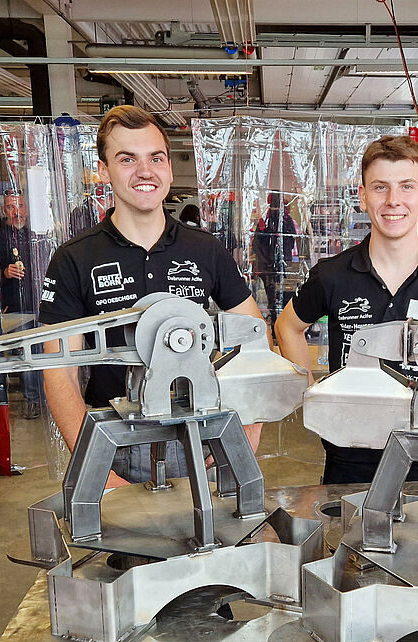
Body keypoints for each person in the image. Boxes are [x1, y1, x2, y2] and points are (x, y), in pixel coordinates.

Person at [38, 105, 265, 488]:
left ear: (169, 167)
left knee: (217, 543)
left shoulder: (205, 250)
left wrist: (249, 427)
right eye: (127, 159)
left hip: (204, 432)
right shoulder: (75, 258)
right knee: (131, 548)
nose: (145, 171)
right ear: (104, 169)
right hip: (114, 442)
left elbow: (255, 338)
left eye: (155, 158)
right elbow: (58, 370)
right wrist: (96, 467)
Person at [274, 135, 418, 501]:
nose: (393, 201)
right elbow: (288, 326)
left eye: (406, 187)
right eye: (380, 187)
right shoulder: (332, 274)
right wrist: (311, 394)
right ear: (363, 195)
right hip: (349, 453)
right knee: (347, 550)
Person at [0, 193, 43, 420]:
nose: (16, 212)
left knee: (48, 351)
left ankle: (49, 398)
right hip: (13, 306)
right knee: (25, 353)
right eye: (10, 207)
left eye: (20, 206)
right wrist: (3, 273)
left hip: (43, 302)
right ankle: (33, 400)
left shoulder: (39, 232)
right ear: (3, 210)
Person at [253, 192, 299, 323]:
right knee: (282, 298)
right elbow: (290, 243)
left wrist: (267, 261)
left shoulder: (265, 221)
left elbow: (257, 245)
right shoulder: (285, 220)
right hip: (279, 266)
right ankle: (280, 325)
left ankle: (276, 325)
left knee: (273, 299)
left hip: (270, 267)